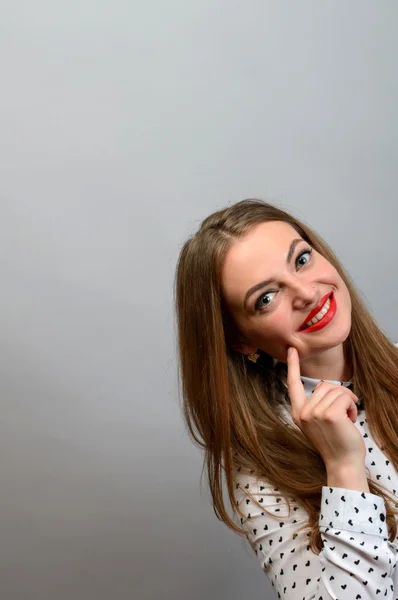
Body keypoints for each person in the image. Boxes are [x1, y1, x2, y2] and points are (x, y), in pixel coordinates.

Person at [174, 199, 398, 599]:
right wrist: (343, 468)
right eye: (266, 298)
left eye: (301, 260)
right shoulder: (262, 471)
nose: (306, 293)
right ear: (241, 340)